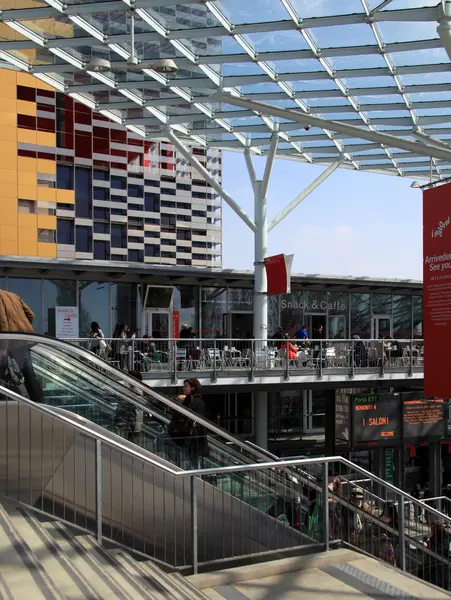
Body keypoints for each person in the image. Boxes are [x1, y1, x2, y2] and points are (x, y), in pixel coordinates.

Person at [0, 290, 45, 403]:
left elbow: (2, 323)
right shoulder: (13, 296)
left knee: (5, 375)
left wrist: (2, 347)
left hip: (9, 343)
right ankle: (41, 404)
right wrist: (22, 329)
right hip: (23, 341)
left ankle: (8, 405)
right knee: (29, 375)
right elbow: (31, 315)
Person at [114, 370, 144, 444]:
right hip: (130, 420)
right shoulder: (132, 388)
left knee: (133, 443)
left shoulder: (137, 390)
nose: (127, 379)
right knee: (131, 442)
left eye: (129, 377)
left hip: (134, 420)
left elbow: (130, 405)